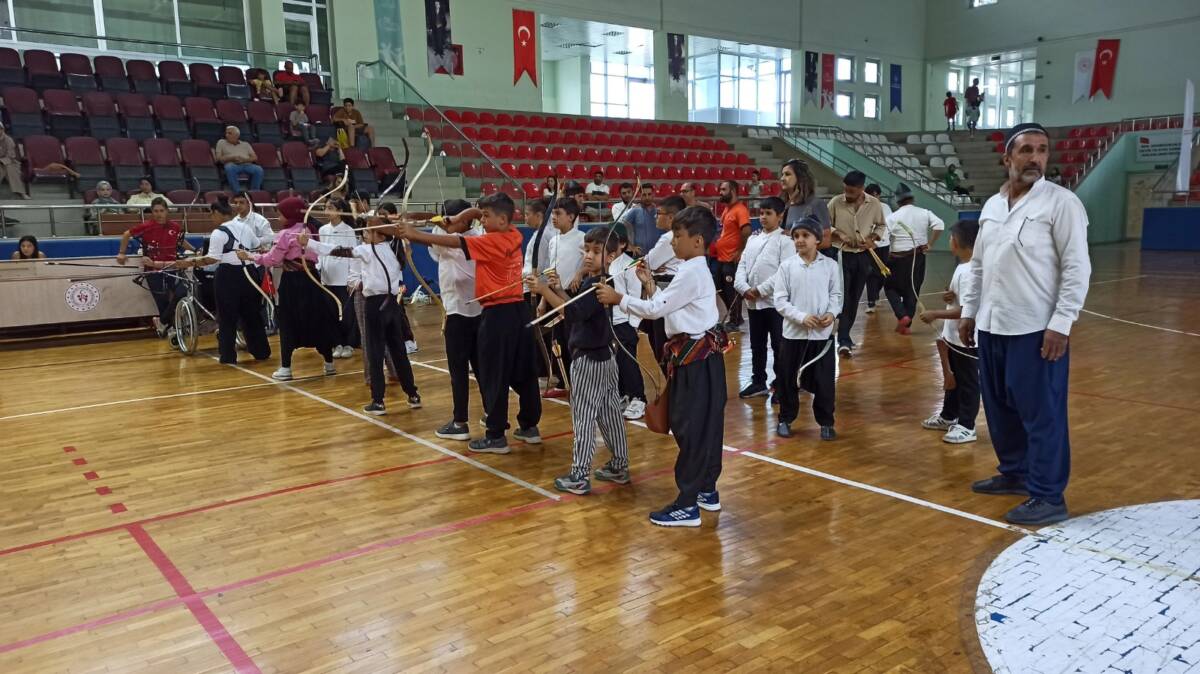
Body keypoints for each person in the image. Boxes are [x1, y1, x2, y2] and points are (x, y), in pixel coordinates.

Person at [960, 122, 1091, 526]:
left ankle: (1049, 495)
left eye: (1042, 150)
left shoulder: (1062, 203)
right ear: (1008, 158)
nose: (1035, 157)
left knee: (1042, 414)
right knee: (999, 410)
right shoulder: (992, 206)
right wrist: (969, 311)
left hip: (1036, 329)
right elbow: (978, 265)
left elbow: (1077, 267)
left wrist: (1062, 322)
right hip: (993, 325)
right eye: (1026, 150)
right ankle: (1014, 473)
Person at [596, 206, 730, 528]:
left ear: (697, 241)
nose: (672, 243)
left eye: (678, 237)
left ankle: (687, 504)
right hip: (703, 361)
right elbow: (673, 308)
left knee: (690, 427)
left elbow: (657, 311)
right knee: (705, 426)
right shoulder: (693, 269)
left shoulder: (691, 271)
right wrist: (650, 284)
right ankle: (706, 491)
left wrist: (620, 299)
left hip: (696, 363)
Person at [397, 192, 542, 453]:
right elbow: (477, 223)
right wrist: (471, 214)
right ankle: (529, 426)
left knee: (494, 374)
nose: (482, 221)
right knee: (523, 371)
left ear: (502, 218)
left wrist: (412, 233)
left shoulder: (489, 241)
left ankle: (496, 435)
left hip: (498, 314)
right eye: (481, 215)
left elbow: (452, 240)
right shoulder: (514, 235)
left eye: (487, 217)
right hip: (518, 310)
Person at [529, 227, 631, 495]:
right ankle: (619, 465)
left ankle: (579, 474)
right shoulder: (594, 283)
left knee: (583, 417)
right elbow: (576, 307)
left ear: (611, 256)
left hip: (589, 360)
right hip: (604, 357)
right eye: (586, 250)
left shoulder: (601, 285)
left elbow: (572, 314)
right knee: (610, 413)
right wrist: (555, 288)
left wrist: (544, 291)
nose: (588, 256)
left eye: (596, 252)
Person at [301, 220, 421, 414]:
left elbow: (338, 250)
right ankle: (413, 395)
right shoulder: (393, 250)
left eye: (369, 231)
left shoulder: (368, 250)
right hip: (392, 305)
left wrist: (310, 243)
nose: (364, 233)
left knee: (374, 352)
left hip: (375, 305)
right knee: (398, 351)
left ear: (381, 235)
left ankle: (378, 401)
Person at [240, 196, 339, 381]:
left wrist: (250, 256)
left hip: (293, 284)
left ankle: (286, 368)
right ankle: (329, 364)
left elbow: (273, 260)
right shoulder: (308, 229)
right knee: (317, 319)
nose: (278, 218)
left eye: (281, 214)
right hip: (312, 281)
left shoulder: (286, 234)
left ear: (291, 214)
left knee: (287, 321)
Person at [772, 215, 841, 441]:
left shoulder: (830, 266)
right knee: (788, 379)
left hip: (821, 337)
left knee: (824, 381)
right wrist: (802, 317)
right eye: (796, 236)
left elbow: (836, 294)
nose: (800, 240)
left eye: (805, 235)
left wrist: (831, 313)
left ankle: (826, 423)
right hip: (793, 336)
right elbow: (780, 301)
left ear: (817, 240)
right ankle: (785, 418)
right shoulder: (787, 267)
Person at [179, 197, 271, 364]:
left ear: (217, 213)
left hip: (229, 276)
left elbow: (212, 259)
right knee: (252, 314)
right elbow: (257, 245)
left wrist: (189, 262)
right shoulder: (245, 227)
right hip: (249, 274)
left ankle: (228, 356)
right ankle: (261, 351)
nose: (211, 218)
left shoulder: (218, 232)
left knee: (227, 316)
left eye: (211, 214)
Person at [919, 219, 980, 445]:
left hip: (968, 340)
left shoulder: (973, 271)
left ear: (960, 242)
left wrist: (935, 313)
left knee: (968, 382)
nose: (949, 240)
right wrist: (949, 297)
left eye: (951, 237)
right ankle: (948, 415)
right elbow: (958, 300)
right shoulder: (962, 267)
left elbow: (967, 310)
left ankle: (967, 425)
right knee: (953, 379)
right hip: (953, 337)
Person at [430, 199, 486, 440]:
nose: (444, 226)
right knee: (483, 369)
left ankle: (460, 422)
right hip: (478, 314)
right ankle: (493, 415)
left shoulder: (457, 242)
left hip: (460, 316)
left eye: (449, 221)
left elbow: (435, 237)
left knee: (459, 371)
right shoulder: (482, 236)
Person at [733, 196, 794, 400]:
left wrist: (760, 290)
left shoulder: (785, 242)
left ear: (780, 216)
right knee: (756, 344)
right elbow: (742, 266)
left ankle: (781, 385)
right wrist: (743, 288)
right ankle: (758, 381)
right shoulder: (753, 239)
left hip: (774, 303)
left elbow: (783, 272)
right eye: (761, 213)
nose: (764, 217)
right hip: (753, 302)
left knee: (779, 345)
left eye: (769, 213)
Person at [827, 170, 887, 356]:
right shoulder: (835, 202)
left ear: (861, 189)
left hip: (863, 256)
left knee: (854, 298)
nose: (847, 194)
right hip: (840, 255)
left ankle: (845, 335)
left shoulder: (874, 204)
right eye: (845, 190)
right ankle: (841, 338)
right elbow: (825, 224)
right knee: (842, 298)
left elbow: (881, 225)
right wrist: (839, 234)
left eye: (852, 191)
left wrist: (873, 239)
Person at [116, 197, 194, 340]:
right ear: (152, 212)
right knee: (162, 300)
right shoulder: (147, 226)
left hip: (171, 266)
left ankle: (162, 322)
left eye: (161, 211)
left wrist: (194, 251)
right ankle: (171, 329)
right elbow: (127, 234)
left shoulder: (175, 227)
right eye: (156, 211)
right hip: (152, 268)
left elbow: (180, 241)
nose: (159, 214)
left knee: (181, 292)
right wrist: (122, 253)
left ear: (167, 211)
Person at [541, 197, 586, 397]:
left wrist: (579, 274)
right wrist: (544, 299)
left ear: (571, 217)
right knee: (556, 340)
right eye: (553, 214)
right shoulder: (553, 240)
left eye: (558, 214)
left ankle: (578, 380)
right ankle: (563, 380)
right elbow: (551, 271)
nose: (554, 218)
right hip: (555, 294)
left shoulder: (582, 238)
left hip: (572, 294)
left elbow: (590, 259)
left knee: (572, 339)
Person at [885, 183, 944, 335]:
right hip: (918, 257)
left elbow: (884, 238)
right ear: (913, 198)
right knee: (913, 290)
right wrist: (930, 243)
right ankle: (907, 324)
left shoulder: (892, 217)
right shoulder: (924, 212)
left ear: (897, 202)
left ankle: (902, 316)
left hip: (897, 259)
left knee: (890, 288)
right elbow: (940, 225)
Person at [606, 222, 646, 420]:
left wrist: (633, 324)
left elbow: (636, 296)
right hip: (609, 322)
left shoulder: (629, 265)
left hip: (624, 322)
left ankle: (638, 397)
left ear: (622, 244)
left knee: (628, 361)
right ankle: (624, 395)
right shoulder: (607, 263)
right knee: (615, 363)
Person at [641, 194, 686, 368]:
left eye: (659, 213)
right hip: (664, 284)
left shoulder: (669, 237)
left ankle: (671, 384)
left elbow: (647, 263)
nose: (655, 216)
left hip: (665, 286)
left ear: (671, 217)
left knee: (661, 340)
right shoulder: (674, 236)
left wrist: (649, 266)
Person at [318, 198, 359, 358]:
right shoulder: (322, 230)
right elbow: (321, 251)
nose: (327, 211)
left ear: (340, 210)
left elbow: (353, 254)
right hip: (327, 277)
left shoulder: (348, 230)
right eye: (325, 207)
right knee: (331, 312)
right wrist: (319, 266)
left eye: (330, 208)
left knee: (347, 313)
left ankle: (348, 343)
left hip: (343, 278)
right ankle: (337, 343)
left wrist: (352, 277)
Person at [713, 180, 751, 331]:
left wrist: (741, 251)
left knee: (731, 290)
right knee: (719, 287)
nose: (720, 193)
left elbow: (746, 231)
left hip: (731, 259)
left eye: (723, 190)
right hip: (722, 257)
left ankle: (735, 320)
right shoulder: (727, 210)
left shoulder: (740, 210)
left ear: (733, 191)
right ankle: (735, 316)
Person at [779, 159, 832, 257]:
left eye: (787, 174)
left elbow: (826, 241)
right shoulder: (783, 204)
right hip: (785, 261)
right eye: (782, 174)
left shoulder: (816, 204)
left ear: (800, 178)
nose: (782, 178)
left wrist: (798, 243)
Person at [863, 183, 893, 314]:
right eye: (871, 195)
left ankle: (875, 294)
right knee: (871, 274)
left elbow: (890, 225)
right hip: (870, 246)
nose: (874, 197)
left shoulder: (886, 207)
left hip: (884, 244)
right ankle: (871, 302)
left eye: (876, 195)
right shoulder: (863, 207)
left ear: (879, 195)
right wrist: (869, 240)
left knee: (883, 273)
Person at [215, 127, 264, 191]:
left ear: (237, 135)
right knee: (229, 168)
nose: (226, 135)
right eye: (226, 133)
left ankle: (254, 192)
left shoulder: (245, 144)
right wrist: (232, 158)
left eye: (229, 133)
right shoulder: (221, 142)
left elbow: (255, 158)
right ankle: (237, 192)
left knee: (258, 169)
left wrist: (244, 160)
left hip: (247, 164)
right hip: (232, 164)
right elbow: (218, 158)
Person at [622, 182, 660, 256]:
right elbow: (622, 229)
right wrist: (631, 246)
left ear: (653, 195)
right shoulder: (635, 211)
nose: (647, 197)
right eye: (644, 195)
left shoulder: (660, 212)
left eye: (649, 194)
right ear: (640, 196)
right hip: (640, 255)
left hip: (657, 254)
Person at [0, 124, 29, 199]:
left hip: (10, 161)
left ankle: (21, 192)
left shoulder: (8, 140)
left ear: (2, 130)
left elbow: (11, 155)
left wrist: (2, 161)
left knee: (11, 169)